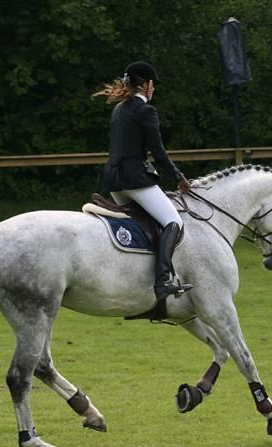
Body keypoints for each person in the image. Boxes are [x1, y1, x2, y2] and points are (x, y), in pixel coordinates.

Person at [93, 61, 191, 301]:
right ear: (144, 85)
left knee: (144, 223)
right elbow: (158, 151)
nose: (154, 88)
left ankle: (136, 274)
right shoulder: (146, 111)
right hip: (135, 179)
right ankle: (162, 281)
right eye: (152, 84)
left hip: (114, 181)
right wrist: (178, 176)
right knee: (173, 222)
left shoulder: (119, 109)